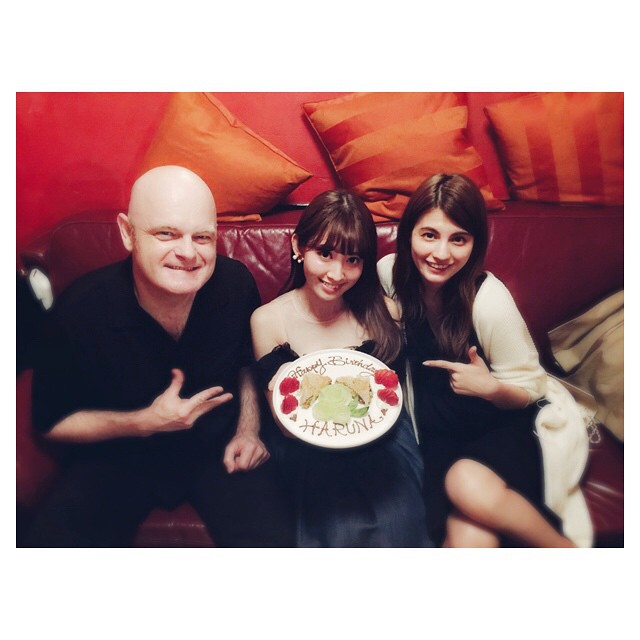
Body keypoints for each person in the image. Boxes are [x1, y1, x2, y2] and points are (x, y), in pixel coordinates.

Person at [24, 165, 294, 547]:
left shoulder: (236, 283)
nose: (188, 253)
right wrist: (144, 422)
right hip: (118, 457)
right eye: (166, 233)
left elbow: (246, 366)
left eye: (202, 237)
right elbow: (51, 423)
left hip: (220, 450)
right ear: (128, 233)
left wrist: (248, 430)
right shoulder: (81, 308)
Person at [378, 173, 591, 548]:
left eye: (458, 239)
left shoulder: (489, 301)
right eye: (429, 235)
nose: (441, 254)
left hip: (502, 421)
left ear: (475, 243)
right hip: (438, 431)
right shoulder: (389, 274)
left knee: (465, 482)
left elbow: (530, 389)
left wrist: (491, 388)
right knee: (468, 539)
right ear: (408, 233)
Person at [250, 189, 431, 547]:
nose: (337, 273)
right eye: (325, 253)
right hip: (307, 450)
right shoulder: (268, 320)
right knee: (340, 527)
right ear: (298, 246)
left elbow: (387, 401)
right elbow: (286, 424)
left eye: (352, 259)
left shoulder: (386, 313)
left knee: (397, 521)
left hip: (384, 444)